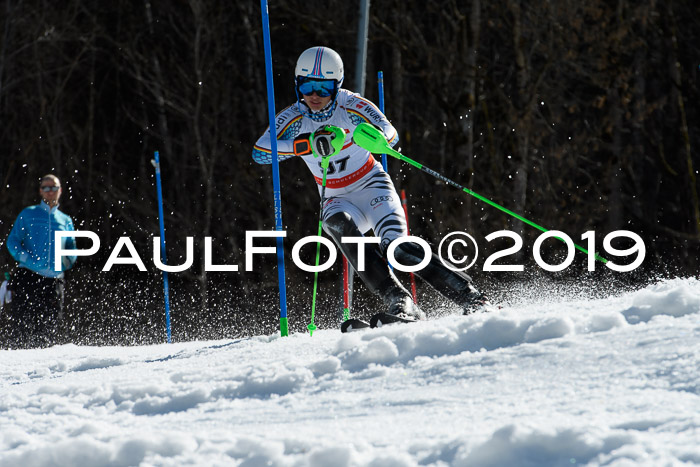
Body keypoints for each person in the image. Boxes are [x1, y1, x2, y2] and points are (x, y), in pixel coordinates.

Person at [253, 46, 491, 322]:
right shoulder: (294, 118)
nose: (315, 95)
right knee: (336, 223)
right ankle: (400, 301)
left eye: (324, 88)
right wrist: (304, 144)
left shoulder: (351, 105)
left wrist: (362, 136)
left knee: (398, 249)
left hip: (371, 186)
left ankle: (472, 298)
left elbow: (390, 135)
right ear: (297, 84)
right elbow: (260, 152)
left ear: (337, 85)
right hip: (335, 197)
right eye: (307, 86)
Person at [6, 174, 77, 347]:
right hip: (28, 277)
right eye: (46, 187)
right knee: (22, 326)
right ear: (40, 191)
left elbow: (71, 248)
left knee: (49, 329)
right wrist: (27, 258)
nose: (50, 191)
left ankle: (43, 370)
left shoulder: (65, 220)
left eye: (53, 187)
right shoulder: (29, 214)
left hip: (54, 281)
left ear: (60, 190)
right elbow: (13, 242)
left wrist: (65, 263)